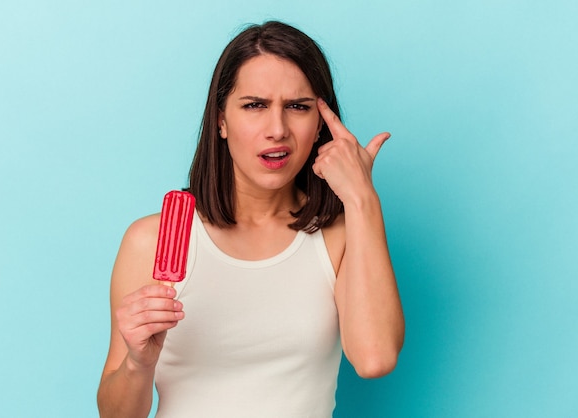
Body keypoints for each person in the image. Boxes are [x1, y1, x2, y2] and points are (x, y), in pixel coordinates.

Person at [97, 20, 404, 418]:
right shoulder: (150, 240)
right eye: (255, 105)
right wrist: (138, 364)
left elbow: (374, 359)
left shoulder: (340, 236)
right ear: (221, 120)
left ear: (320, 127)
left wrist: (362, 197)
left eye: (298, 107)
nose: (277, 130)